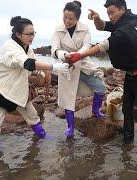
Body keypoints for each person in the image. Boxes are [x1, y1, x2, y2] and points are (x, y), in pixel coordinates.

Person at [68, 0, 137, 146]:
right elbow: (103, 26)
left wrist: (80, 55)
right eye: (108, 13)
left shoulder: (127, 28)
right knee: (127, 109)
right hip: (130, 75)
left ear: (122, 9)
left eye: (112, 12)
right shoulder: (122, 22)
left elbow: (104, 45)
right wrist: (96, 18)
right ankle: (128, 138)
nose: (110, 16)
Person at [0, 16, 70, 157]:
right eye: (28, 34)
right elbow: (26, 62)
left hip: (17, 92)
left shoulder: (27, 48)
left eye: (33, 33)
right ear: (18, 34)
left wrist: (42, 72)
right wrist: (53, 67)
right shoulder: (10, 47)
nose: (32, 37)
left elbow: (33, 65)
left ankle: (41, 137)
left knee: (33, 116)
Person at [51, 1, 106, 137]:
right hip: (67, 66)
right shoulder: (58, 30)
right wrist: (63, 54)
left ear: (77, 19)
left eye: (71, 19)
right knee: (68, 99)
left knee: (100, 86)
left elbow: (87, 45)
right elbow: (54, 49)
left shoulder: (85, 29)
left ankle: (96, 110)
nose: (67, 21)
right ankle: (70, 127)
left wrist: (78, 54)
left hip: (83, 63)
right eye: (65, 17)